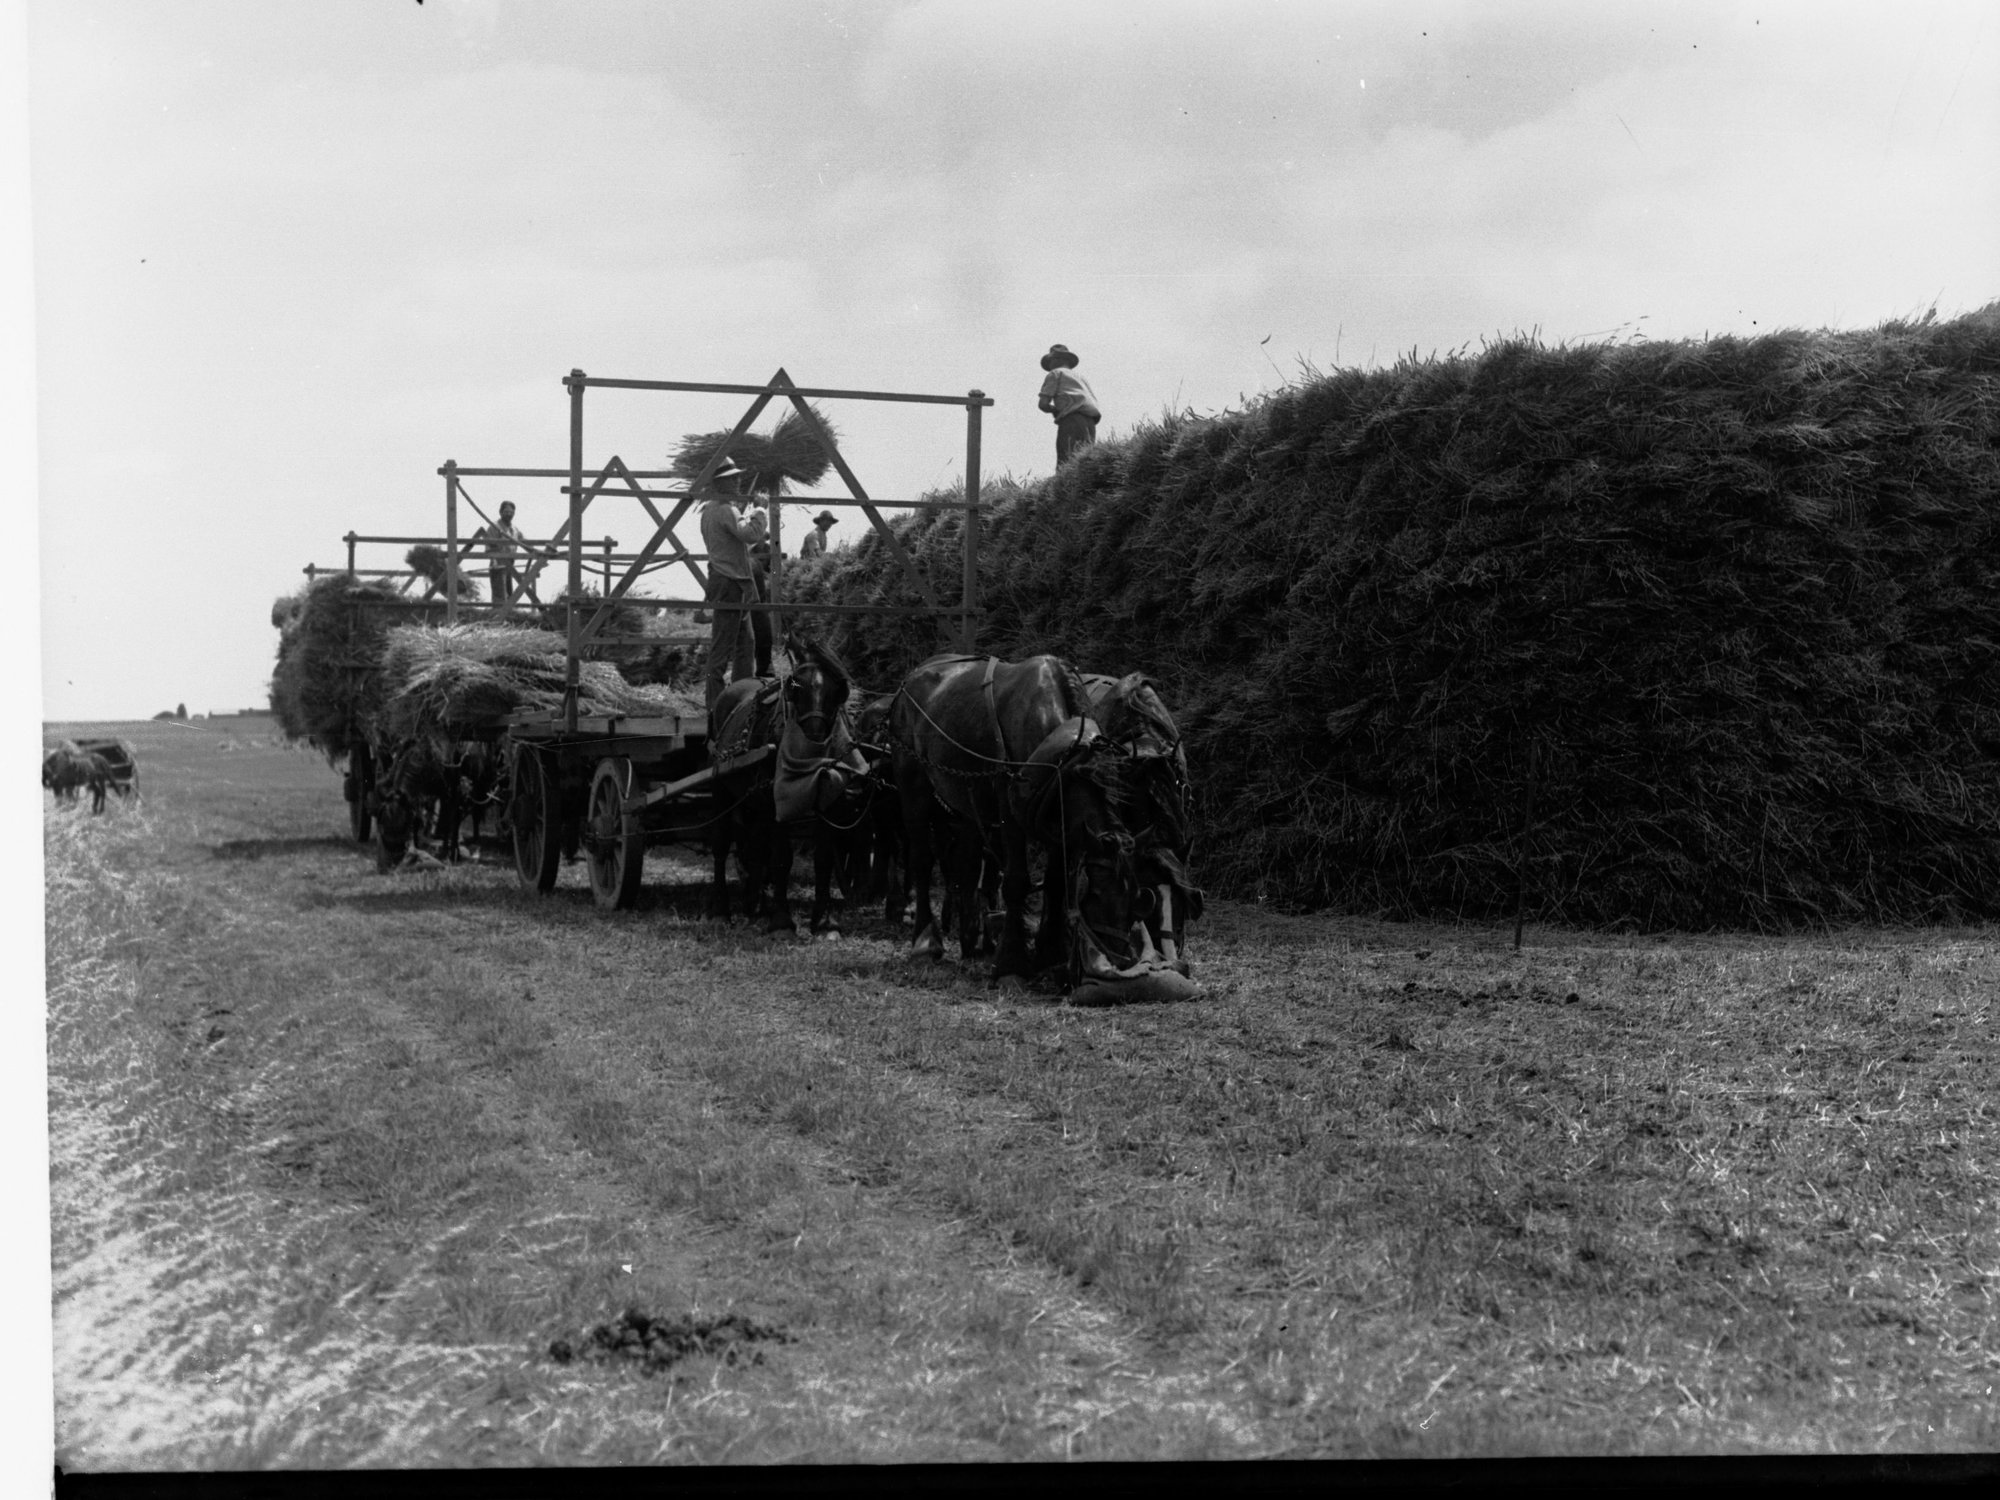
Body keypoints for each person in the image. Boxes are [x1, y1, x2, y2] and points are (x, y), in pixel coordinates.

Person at [700, 469, 769, 714]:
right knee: (722, 650)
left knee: (745, 644)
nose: (738, 481)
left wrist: (747, 512)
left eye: (739, 477)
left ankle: (741, 701)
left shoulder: (712, 510)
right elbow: (750, 534)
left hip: (732, 583)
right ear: (722, 483)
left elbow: (738, 537)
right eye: (733, 478)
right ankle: (717, 706)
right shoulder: (725, 510)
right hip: (729, 582)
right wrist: (760, 510)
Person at [1037, 344, 1102, 465]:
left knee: (1066, 460)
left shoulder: (1055, 373)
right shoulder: (1080, 377)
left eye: (1050, 361)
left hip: (1071, 419)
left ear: (1056, 360)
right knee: (1085, 460)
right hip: (1090, 420)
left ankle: (1063, 484)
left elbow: (1043, 404)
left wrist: (1054, 410)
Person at [474, 501, 525, 606]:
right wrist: (496, 558)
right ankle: (498, 615)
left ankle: (509, 614)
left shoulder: (514, 529)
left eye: (511, 512)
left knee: (509, 592)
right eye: (506, 512)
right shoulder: (495, 527)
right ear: (500, 512)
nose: (509, 514)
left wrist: (538, 552)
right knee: (499, 594)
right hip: (498, 564)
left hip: (510, 564)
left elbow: (524, 542)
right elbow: (489, 547)